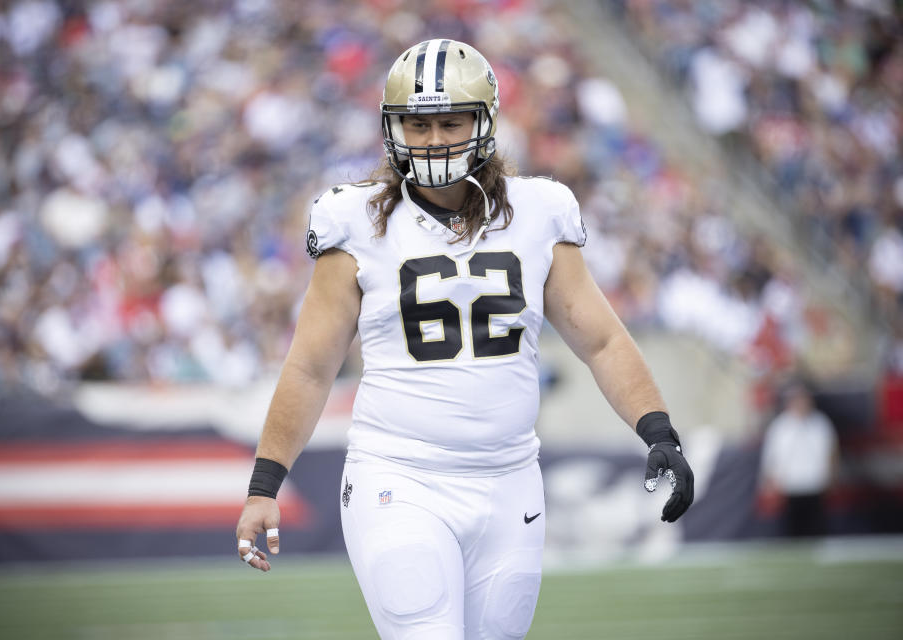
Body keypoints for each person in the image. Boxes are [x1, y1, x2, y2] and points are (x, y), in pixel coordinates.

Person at [235, 39, 694, 639]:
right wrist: (264, 485)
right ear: (391, 127)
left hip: (510, 480)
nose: (432, 139)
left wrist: (657, 430)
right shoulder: (354, 223)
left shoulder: (539, 212)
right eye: (416, 124)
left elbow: (602, 341)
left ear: (486, 122)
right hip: (399, 476)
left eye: (449, 121)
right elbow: (309, 368)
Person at [759, 381, 839, 538]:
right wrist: (769, 482)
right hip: (789, 487)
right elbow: (771, 457)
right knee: (792, 532)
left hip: (815, 485)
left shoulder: (821, 423)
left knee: (816, 529)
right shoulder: (780, 426)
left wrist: (832, 476)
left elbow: (831, 453)